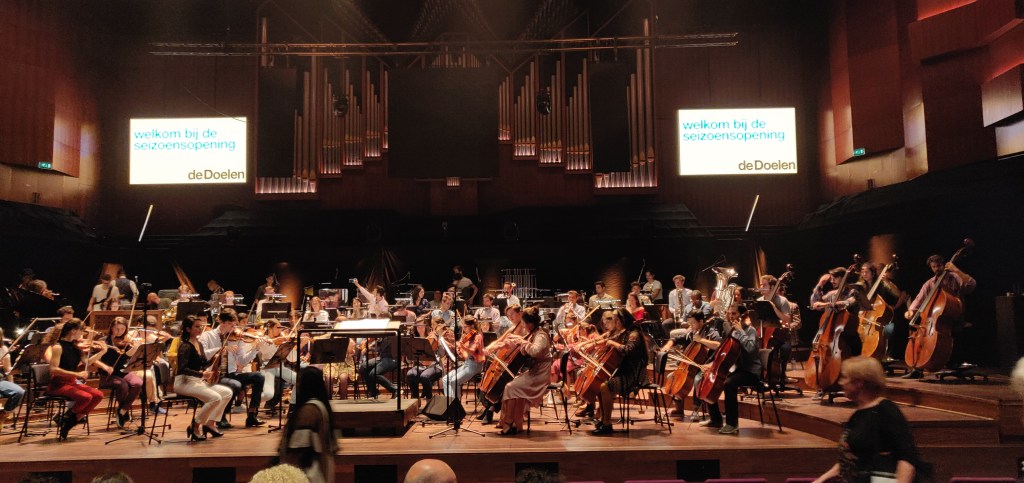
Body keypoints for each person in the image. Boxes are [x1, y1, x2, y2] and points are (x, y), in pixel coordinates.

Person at [812, 357, 926, 483]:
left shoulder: (886, 410)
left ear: (859, 382)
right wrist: (821, 480)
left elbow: (906, 459)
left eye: (844, 377)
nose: (841, 382)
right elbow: (849, 459)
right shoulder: (858, 414)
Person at [902, 255, 977, 378]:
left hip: (956, 316)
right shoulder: (930, 283)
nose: (937, 269)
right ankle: (917, 368)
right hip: (938, 319)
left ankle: (948, 364)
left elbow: (972, 285)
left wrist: (956, 269)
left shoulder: (954, 277)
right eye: (934, 267)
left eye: (939, 265)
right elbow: (919, 299)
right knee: (915, 328)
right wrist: (910, 311)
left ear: (943, 264)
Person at [699, 304, 759, 435]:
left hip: (750, 371)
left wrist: (741, 331)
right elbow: (724, 352)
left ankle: (732, 424)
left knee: (729, 384)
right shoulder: (730, 330)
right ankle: (715, 419)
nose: (731, 317)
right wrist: (712, 365)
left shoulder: (750, 331)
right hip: (736, 369)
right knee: (707, 378)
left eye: (734, 314)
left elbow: (750, 348)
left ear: (743, 316)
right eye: (730, 314)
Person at [199, 309, 265, 428]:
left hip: (232, 373)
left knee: (259, 377)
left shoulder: (236, 337)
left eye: (234, 324)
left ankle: (252, 415)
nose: (233, 327)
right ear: (222, 322)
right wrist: (221, 349)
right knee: (235, 385)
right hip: (214, 375)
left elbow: (241, 361)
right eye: (230, 324)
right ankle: (221, 417)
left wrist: (256, 349)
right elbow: (202, 355)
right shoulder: (207, 335)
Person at [587, 308, 648, 435]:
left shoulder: (634, 334)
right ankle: (603, 420)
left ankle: (607, 424)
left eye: (616, 320)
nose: (615, 322)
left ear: (622, 320)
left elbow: (628, 350)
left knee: (605, 386)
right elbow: (608, 341)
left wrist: (613, 344)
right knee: (599, 383)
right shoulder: (622, 332)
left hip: (634, 374)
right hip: (624, 371)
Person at [493, 307, 552, 435]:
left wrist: (522, 342)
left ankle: (508, 423)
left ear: (530, 324)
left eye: (524, 324)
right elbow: (526, 350)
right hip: (534, 372)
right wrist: (517, 342)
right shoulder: (534, 333)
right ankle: (515, 423)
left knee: (510, 387)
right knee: (511, 385)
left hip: (540, 375)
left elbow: (535, 351)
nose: (523, 327)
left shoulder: (541, 335)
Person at [174, 315, 233, 441]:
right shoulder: (185, 346)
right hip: (184, 382)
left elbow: (203, 364)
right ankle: (195, 425)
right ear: (188, 329)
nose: (200, 329)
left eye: (201, 326)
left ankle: (210, 423)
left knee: (227, 393)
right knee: (215, 398)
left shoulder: (198, 344)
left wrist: (217, 355)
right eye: (196, 327)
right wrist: (202, 374)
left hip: (197, 381)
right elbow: (182, 369)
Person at [47, 319, 107, 440]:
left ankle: (68, 420)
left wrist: (103, 352)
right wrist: (77, 374)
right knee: (86, 397)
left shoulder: (75, 347)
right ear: (74, 331)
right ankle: (67, 422)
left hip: (71, 382)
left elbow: (87, 362)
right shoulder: (58, 347)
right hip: (58, 384)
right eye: (81, 331)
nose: (83, 334)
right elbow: (53, 369)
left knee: (98, 395)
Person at [279, 366, 338, 483]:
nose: (298, 386)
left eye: (300, 382)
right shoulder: (321, 406)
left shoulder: (309, 411)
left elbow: (297, 450)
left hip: (307, 476)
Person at [659, 310, 721, 417]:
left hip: (706, 366)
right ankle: (678, 409)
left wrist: (701, 340)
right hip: (691, 366)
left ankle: (696, 410)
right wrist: (667, 346)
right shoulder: (692, 333)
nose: (690, 326)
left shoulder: (711, 332)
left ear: (701, 321)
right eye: (689, 323)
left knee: (697, 379)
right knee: (671, 376)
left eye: (693, 323)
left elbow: (718, 345)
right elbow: (675, 338)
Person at [96, 317, 144, 428]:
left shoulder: (126, 341)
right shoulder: (104, 341)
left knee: (138, 383)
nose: (120, 331)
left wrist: (136, 347)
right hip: (108, 375)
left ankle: (122, 410)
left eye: (123, 329)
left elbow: (128, 355)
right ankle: (123, 411)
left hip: (123, 372)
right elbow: (97, 360)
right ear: (111, 328)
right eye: (117, 329)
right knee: (123, 385)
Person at [406, 317, 450, 401]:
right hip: (419, 366)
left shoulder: (433, 337)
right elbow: (408, 360)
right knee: (410, 374)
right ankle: (415, 400)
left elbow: (442, 354)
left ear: (426, 326)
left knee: (424, 376)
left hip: (434, 366)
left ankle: (429, 400)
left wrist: (439, 342)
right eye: (418, 326)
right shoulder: (413, 340)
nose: (420, 328)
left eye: (422, 326)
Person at [441, 316, 485, 399]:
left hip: (475, 365)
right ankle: (450, 403)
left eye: (465, 327)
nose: (463, 329)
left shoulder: (478, 336)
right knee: (445, 379)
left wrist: (462, 347)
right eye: (463, 327)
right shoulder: (466, 336)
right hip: (467, 363)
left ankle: (456, 406)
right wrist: (460, 350)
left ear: (472, 326)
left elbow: (472, 351)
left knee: (454, 381)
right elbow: (464, 355)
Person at [0, 328, 26, 426]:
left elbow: (8, 371)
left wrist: (11, 384)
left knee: (19, 392)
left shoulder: (3, 349)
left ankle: (4, 415)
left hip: (0, 380)